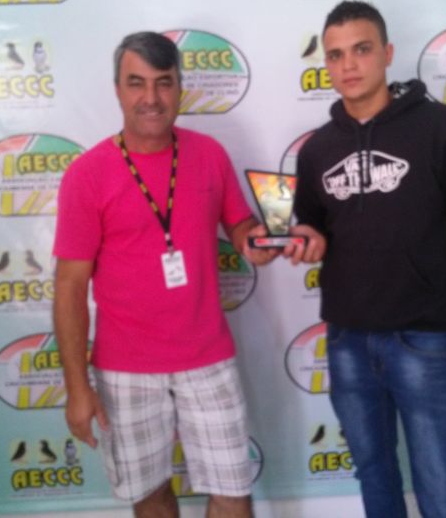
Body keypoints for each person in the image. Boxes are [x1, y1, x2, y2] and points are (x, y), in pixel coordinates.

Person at [291, 1, 446, 518]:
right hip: (346, 341)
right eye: (335, 55)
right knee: (375, 481)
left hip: (424, 340)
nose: (348, 65)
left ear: (387, 53)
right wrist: (303, 240)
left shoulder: (441, 129)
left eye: (362, 49)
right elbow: (312, 228)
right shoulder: (317, 150)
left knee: (441, 492)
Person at [53, 31, 278, 518]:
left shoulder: (209, 154)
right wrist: (77, 387)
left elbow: (240, 225)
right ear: (117, 89)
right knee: (151, 497)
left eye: (164, 82)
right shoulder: (87, 175)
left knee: (233, 495)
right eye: (137, 83)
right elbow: (69, 287)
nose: (151, 98)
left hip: (207, 357)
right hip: (124, 368)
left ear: (180, 87)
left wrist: (257, 243)